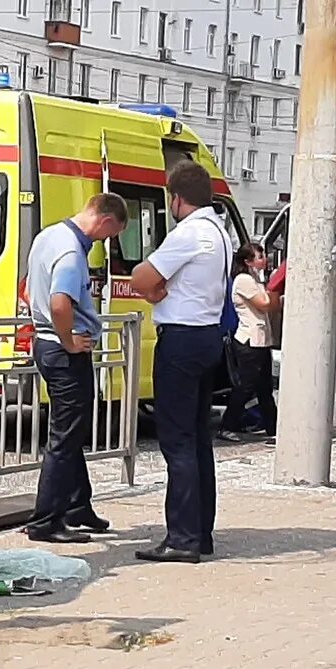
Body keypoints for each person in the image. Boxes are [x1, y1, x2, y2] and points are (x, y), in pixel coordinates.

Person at [123, 163, 233, 563]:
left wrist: (153, 291)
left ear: (176, 197)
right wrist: (159, 289)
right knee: (199, 439)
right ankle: (200, 531)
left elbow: (140, 278)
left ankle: (182, 538)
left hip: (182, 341)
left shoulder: (188, 233)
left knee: (178, 441)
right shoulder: (219, 232)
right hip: (207, 337)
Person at [23, 193, 130, 544]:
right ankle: (46, 521)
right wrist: (68, 339)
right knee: (65, 438)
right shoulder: (71, 252)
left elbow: (27, 290)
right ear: (106, 221)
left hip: (45, 345)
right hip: (64, 351)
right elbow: (60, 302)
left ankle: (77, 506)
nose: (107, 240)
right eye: (111, 234)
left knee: (72, 431)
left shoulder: (48, 236)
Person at [221, 244, 280, 438]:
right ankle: (227, 426)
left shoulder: (256, 279)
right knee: (245, 387)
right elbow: (264, 304)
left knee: (265, 388)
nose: (264, 259)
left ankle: (274, 428)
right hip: (249, 341)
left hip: (261, 340)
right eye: (259, 256)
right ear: (247, 261)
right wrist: (276, 289)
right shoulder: (244, 280)